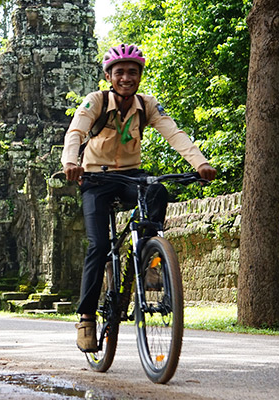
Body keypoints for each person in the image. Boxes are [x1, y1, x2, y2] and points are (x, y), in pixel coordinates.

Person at [61, 44, 217, 352]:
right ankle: (86, 318)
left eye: (133, 72)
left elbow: (174, 134)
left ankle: (147, 258)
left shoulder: (147, 105)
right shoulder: (96, 101)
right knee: (100, 246)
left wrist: (200, 163)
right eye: (119, 72)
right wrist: (70, 161)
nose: (126, 78)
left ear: (140, 76)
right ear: (109, 76)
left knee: (157, 188)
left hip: (131, 175)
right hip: (95, 179)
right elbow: (75, 132)